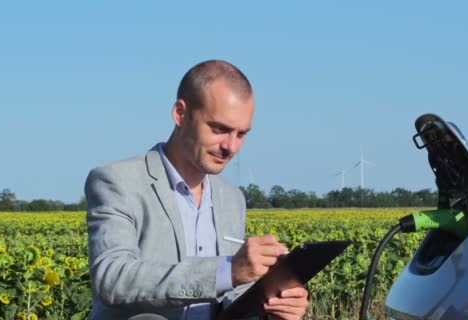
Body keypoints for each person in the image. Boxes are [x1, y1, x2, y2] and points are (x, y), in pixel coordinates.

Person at [84, 59, 309, 320]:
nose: (231, 147)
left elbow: (229, 297)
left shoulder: (232, 199)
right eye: (219, 129)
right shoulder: (118, 181)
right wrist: (226, 271)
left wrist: (272, 302)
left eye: (241, 134)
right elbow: (112, 278)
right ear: (180, 113)